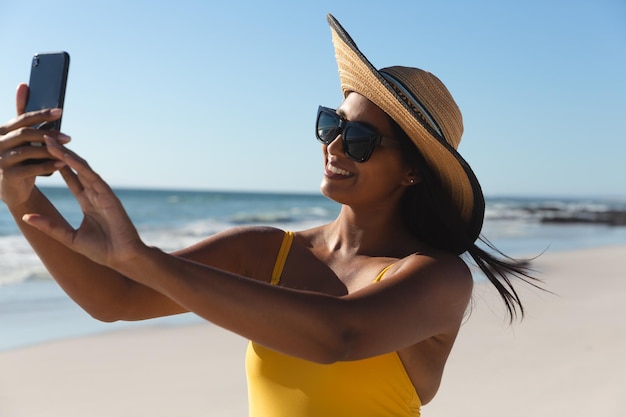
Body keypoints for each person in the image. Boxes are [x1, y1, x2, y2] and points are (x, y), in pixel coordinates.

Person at [0, 14, 537, 417]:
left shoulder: (435, 276)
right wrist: (20, 194)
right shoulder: (266, 251)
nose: (335, 146)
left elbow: (339, 337)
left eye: (360, 139)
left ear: (413, 173)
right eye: (332, 124)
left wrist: (143, 259)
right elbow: (112, 299)